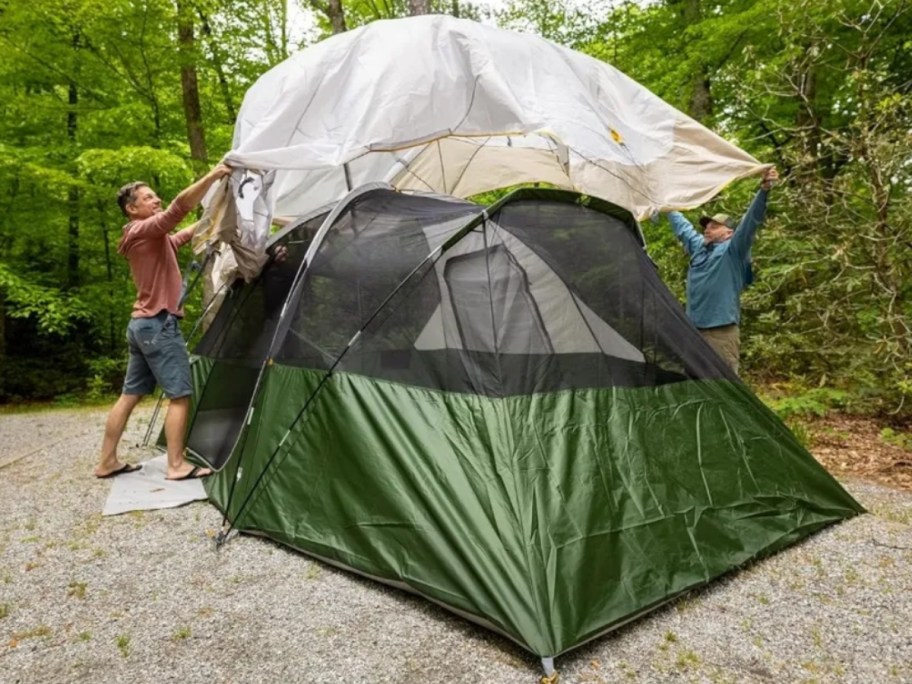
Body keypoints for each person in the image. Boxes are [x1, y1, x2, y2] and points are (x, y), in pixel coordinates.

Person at [95, 163, 233, 480]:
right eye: (148, 198)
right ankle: (176, 465)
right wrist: (213, 176)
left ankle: (107, 462)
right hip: (157, 325)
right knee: (180, 395)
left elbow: (188, 231)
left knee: (129, 395)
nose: (156, 200)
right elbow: (178, 210)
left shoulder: (154, 239)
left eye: (155, 196)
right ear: (132, 209)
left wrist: (224, 211)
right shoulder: (139, 230)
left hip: (141, 327)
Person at [664, 166, 779, 375]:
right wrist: (663, 201)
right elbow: (682, 226)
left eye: (714, 226)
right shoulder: (699, 247)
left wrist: (763, 190)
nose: (707, 228)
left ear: (728, 233)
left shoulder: (734, 250)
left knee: (723, 387)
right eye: (706, 226)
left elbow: (750, 222)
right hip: (693, 331)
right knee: (694, 383)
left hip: (721, 332)